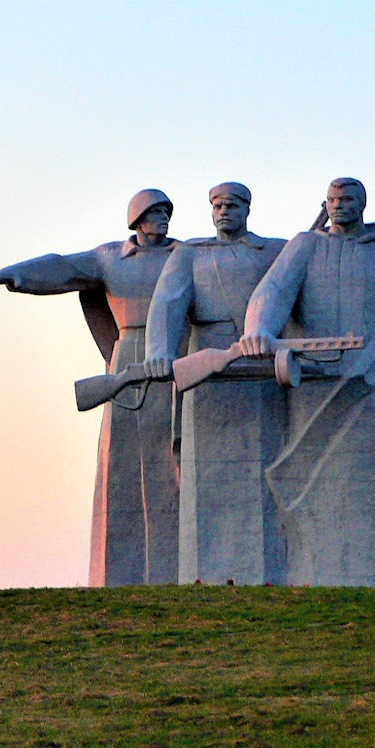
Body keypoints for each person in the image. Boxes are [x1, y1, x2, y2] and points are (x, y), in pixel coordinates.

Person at [238, 178, 375, 586]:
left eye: (347, 200)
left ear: (362, 205)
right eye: (332, 200)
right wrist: (258, 328)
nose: (338, 206)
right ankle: (307, 577)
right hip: (315, 383)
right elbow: (272, 292)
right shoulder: (306, 246)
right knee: (306, 486)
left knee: (374, 491)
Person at [0, 190, 180, 586]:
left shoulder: (186, 255)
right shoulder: (110, 258)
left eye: (166, 212)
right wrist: (17, 275)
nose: (163, 219)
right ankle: (122, 572)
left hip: (175, 354)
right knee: (123, 461)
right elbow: (62, 267)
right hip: (128, 356)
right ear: (136, 218)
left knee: (173, 460)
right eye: (155, 212)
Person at [144, 183, 289, 585]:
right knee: (204, 479)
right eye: (218, 205)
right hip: (205, 364)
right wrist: (159, 350)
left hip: (259, 367)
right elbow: (168, 302)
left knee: (265, 472)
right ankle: (203, 575)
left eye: (233, 205)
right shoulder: (190, 253)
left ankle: (268, 574)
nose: (225, 211)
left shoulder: (274, 250)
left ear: (247, 209)